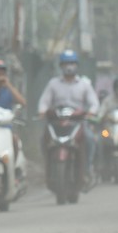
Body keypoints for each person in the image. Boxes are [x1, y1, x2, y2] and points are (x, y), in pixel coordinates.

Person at [37, 49, 100, 178]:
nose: (69, 66)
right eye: (66, 63)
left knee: (89, 139)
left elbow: (94, 103)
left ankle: (87, 168)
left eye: (72, 63)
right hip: (57, 122)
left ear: (76, 65)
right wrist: (42, 112)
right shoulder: (53, 84)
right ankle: (48, 165)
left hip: (78, 122)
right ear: (61, 66)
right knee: (43, 139)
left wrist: (90, 113)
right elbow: (44, 101)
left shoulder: (84, 84)